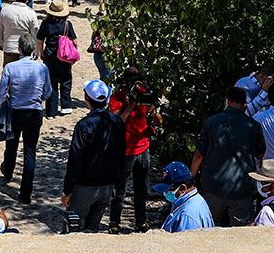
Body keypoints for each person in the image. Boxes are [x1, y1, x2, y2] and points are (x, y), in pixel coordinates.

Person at [192, 85, 266, 227]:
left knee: (207, 228)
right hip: (242, 189)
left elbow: (199, 154)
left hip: (213, 187)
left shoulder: (212, 122)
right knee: (241, 234)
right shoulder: (253, 126)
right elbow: (260, 153)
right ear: (244, 104)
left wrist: (191, 177)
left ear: (227, 101)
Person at [62, 79, 130, 232]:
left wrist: (67, 190)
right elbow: (121, 154)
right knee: (93, 230)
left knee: (72, 230)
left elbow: (75, 159)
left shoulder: (84, 125)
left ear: (86, 98)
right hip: (106, 187)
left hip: (84, 187)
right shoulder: (117, 122)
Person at [0, 33, 50, 203]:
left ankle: (8, 171)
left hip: (15, 111)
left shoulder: (10, 68)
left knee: (11, 145)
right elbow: (48, 92)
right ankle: (25, 193)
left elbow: (1, 94)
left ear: (19, 49)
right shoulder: (42, 68)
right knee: (29, 151)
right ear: (33, 49)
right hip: (34, 112)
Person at [109, 67, 160, 234]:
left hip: (143, 147)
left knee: (141, 189)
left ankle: (141, 222)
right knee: (119, 190)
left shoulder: (144, 93)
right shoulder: (117, 98)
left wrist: (153, 111)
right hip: (125, 150)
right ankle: (114, 222)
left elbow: (159, 121)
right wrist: (131, 104)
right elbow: (117, 122)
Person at [37, 0, 78, 117]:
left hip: (49, 54)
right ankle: (66, 106)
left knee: (51, 82)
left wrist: (41, 52)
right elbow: (74, 41)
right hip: (63, 55)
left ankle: (51, 111)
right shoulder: (67, 24)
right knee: (66, 79)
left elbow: (40, 40)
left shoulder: (45, 24)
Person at [156, 160, 215, 232]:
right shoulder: (194, 199)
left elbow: (186, 242)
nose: (165, 193)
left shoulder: (187, 216)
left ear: (183, 188)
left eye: (168, 190)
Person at [0, 0, 38, 66]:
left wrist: (0, 43)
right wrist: (36, 51)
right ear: (27, 0)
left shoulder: (5, 10)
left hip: (9, 48)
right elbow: (35, 33)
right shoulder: (31, 13)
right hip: (25, 50)